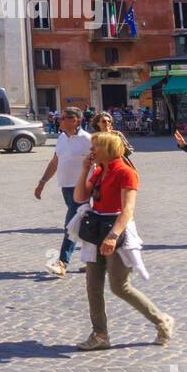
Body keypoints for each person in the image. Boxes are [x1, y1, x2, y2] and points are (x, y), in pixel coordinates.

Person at [73, 130, 174, 349]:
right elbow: (79, 197)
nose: (92, 150)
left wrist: (113, 236)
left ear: (108, 149)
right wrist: (84, 170)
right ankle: (100, 335)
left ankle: (161, 320)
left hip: (116, 233)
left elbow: (127, 209)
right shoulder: (99, 171)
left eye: (96, 146)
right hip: (95, 231)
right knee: (93, 287)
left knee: (120, 286)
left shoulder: (125, 172)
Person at [35, 106, 93, 276]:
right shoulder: (61, 138)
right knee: (82, 224)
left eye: (62, 118)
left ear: (74, 120)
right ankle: (93, 260)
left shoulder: (87, 139)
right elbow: (55, 162)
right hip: (66, 187)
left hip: (81, 188)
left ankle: (62, 263)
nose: (58, 120)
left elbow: (99, 163)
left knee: (71, 224)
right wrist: (42, 182)